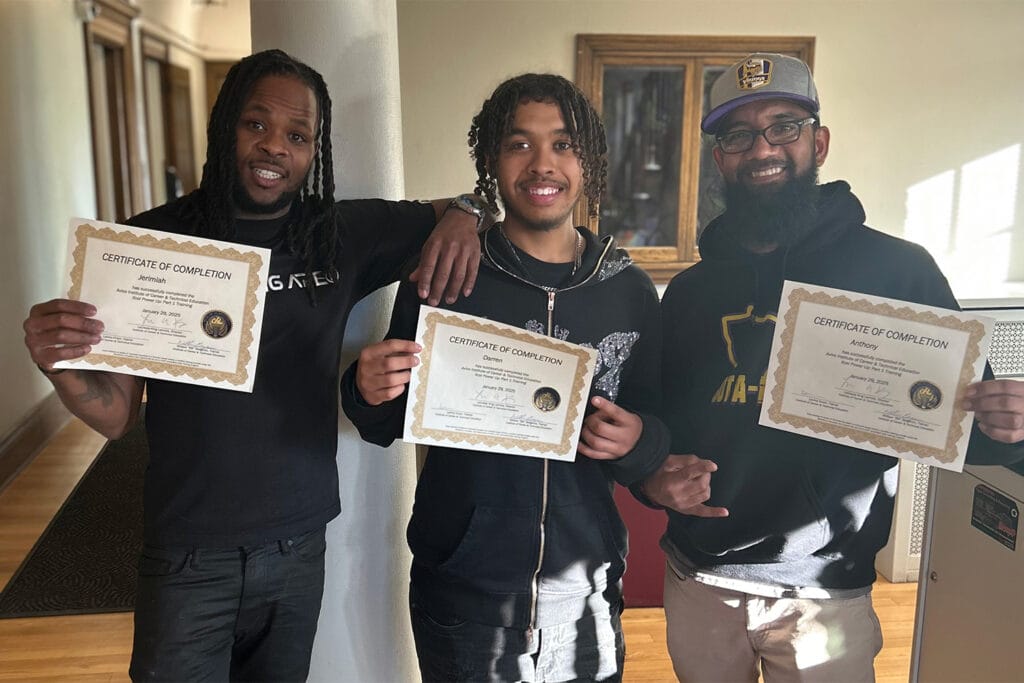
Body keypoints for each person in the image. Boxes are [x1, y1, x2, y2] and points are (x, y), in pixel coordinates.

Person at [22, 49, 487, 682]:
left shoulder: (341, 233)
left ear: (313, 149)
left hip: (298, 545)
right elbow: (116, 415)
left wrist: (467, 213)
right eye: (256, 124)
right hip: (188, 551)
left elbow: (457, 205)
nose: (275, 148)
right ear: (225, 125)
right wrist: (60, 367)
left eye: (297, 136)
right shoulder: (148, 243)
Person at [640, 52, 1024, 682]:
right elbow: (657, 419)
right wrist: (651, 476)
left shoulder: (898, 271)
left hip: (827, 591)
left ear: (818, 142)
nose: (762, 148)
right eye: (738, 135)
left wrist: (1013, 428)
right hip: (699, 577)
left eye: (783, 126)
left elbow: (966, 422)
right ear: (720, 159)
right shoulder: (688, 292)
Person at [341, 73, 670, 682]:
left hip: (587, 594)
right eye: (519, 144)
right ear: (490, 160)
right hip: (464, 596)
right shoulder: (448, 270)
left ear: (589, 161)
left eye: (563, 145)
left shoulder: (627, 289)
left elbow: (653, 424)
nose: (542, 165)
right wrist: (364, 389)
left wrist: (639, 441)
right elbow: (387, 419)